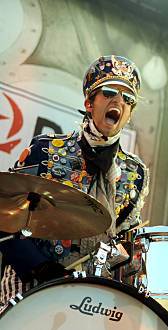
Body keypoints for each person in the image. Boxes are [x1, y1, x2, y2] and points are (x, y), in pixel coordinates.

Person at [0, 55, 149, 307]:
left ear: (129, 114)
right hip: (30, 282)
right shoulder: (46, 149)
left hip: (88, 296)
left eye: (128, 99)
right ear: (89, 102)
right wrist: (41, 268)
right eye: (110, 91)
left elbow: (126, 241)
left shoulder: (135, 173)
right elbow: (5, 218)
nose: (118, 101)